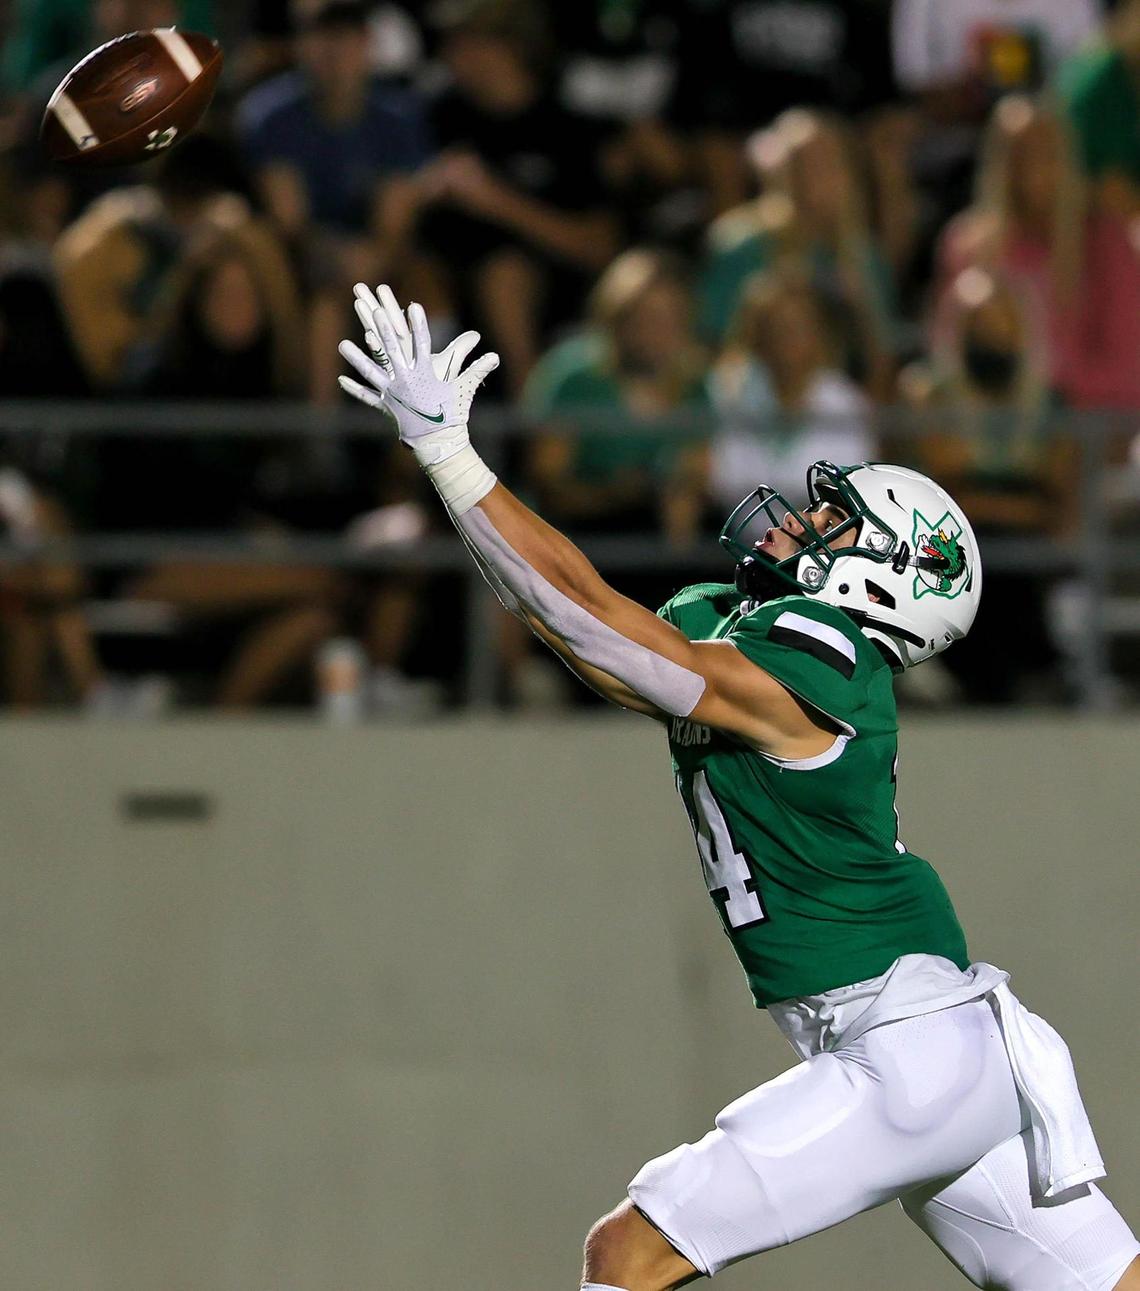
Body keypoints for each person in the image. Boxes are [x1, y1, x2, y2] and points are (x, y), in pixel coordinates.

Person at [337, 285, 1140, 1291]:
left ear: (885, 585)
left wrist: (453, 461)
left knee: (625, 1255)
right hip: (942, 1044)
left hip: (905, 1054)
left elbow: (600, 629)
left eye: (838, 524)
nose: (805, 519)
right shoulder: (753, 626)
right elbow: (584, 635)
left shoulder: (827, 660)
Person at [932, 93, 1140, 410]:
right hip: (988, 421)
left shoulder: (1107, 240)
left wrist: (1049, 381)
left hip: (1084, 431)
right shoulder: (967, 245)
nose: (1034, 166)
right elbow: (948, 351)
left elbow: (1128, 366)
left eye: (1047, 151)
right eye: (1021, 153)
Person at [706, 266, 874, 513]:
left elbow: (846, 489)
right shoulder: (725, 392)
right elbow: (723, 480)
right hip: (739, 540)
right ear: (757, 334)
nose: (787, 338)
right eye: (776, 326)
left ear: (819, 334)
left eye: (798, 327)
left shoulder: (847, 402)